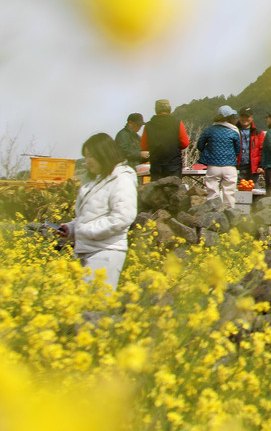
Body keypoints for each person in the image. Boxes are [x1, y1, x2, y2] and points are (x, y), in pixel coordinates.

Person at [60, 133, 138, 289]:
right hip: (87, 250)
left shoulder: (122, 179)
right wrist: (72, 228)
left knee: (96, 306)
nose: (87, 161)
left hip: (106, 252)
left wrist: (84, 230)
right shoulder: (93, 181)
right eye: (86, 156)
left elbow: (122, 218)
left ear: (104, 155)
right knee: (85, 307)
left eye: (91, 156)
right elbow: (88, 217)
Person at [196, 105, 243, 210]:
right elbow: (238, 149)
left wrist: (208, 153)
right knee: (229, 193)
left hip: (213, 166)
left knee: (212, 192)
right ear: (230, 117)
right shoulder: (234, 131)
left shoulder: (210, 130)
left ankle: (213, 216)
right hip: (229, 166)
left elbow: (199, 145)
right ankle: (230, 215)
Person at [141, 98, 189, 180]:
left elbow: (144, 146)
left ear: (156, 110)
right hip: (173, 165)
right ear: (169, 109)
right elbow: (185, 143)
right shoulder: (177, 123)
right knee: (173, 191)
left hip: (156, 165)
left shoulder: (148, 126)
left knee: (157, 191)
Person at [235, 108, 264, 186]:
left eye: (247, 116)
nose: (245, 119)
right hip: (237, 167)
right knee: (237, 193)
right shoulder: (233, 130)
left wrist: (261, 166)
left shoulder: (258, 132)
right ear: (239, 117)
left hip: (252, 169)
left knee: (254, 191)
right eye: (242, 116)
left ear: (251, 118)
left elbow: (262, 150)